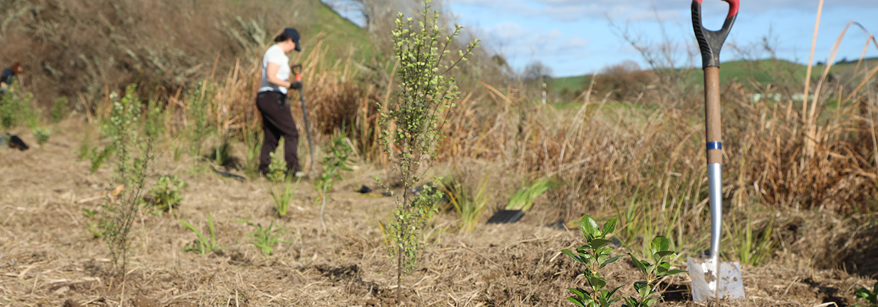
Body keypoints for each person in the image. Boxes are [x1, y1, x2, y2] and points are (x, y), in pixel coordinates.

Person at [257, 28, 304, 177]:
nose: (293, 50)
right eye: (294, 46)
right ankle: (293, 170)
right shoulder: (275, 53)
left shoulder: (278, 54)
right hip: (272, 97)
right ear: (290, 40)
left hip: (270, 97)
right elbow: (271, 77)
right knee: (291, 133)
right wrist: (290, 85)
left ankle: (264, 171)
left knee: (272, 137)